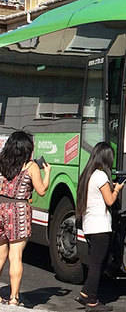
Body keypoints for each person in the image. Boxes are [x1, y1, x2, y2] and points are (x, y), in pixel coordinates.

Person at [0, 130, 50, 307]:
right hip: (18, 210)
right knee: (16, 256)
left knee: (0, 256)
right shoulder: (31, 167)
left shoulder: (2, 163)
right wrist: (48, 173)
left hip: (0, 207)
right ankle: (14, 298)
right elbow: (42, 190)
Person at [75, 142, 124, 311]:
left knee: (96, 262)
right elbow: (109, 200)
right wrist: (117, 189)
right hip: (100, 227)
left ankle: (85, 293)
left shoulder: (88, 175)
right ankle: (92, 301)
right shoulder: (101, 176)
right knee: (97, 265)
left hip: (90, 225)